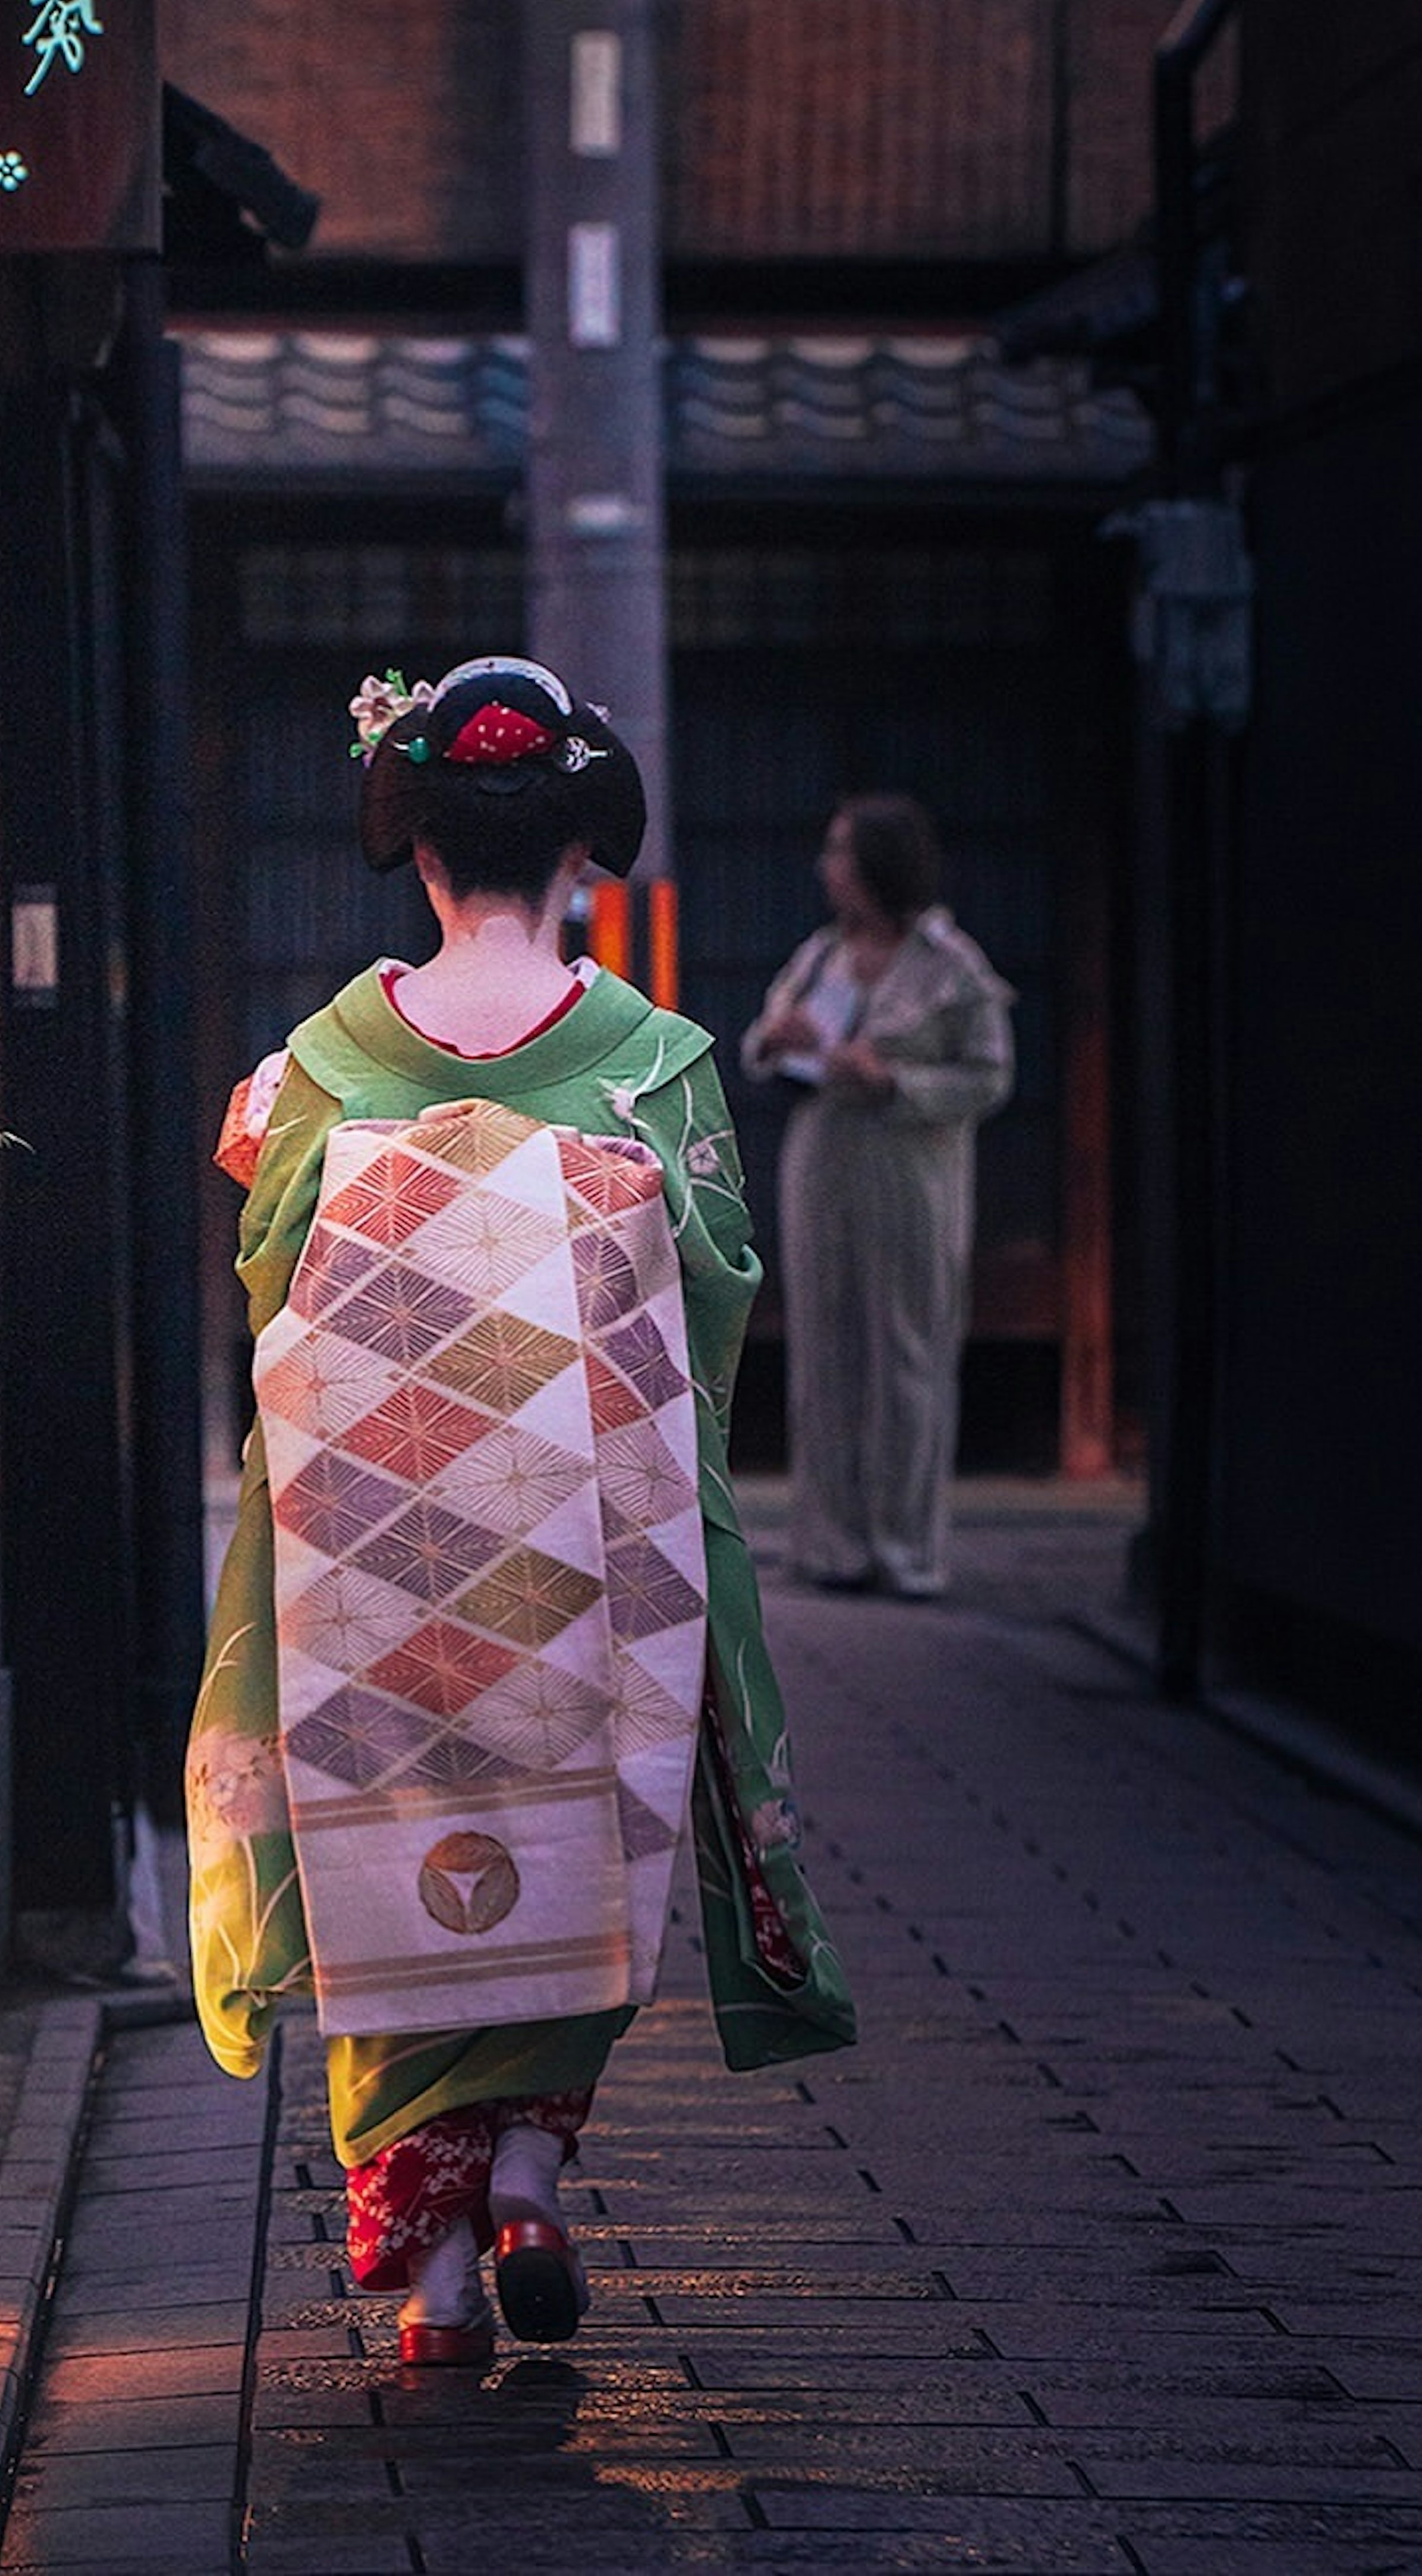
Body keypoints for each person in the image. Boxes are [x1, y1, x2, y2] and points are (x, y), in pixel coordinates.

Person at [189, 657, 854, 2369]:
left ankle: (429, 2285)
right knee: (585, 1835)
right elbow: (713, 1299)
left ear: (415, 853)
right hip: (592, 1546)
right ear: (580, 854)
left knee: (381, 1856)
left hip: (368, 1558)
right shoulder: (658, 1064)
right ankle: (540, 2164)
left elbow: (273, 1292)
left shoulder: (313, 1072)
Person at [742, 793, 1014, 1600]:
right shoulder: (822, 953)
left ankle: (905, 1547)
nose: (828, 867)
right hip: (825, 1153)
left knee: (908, 1348)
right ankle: (831, 1541)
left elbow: (990, 1074)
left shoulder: (948, 961)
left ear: (876, 866)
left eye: (841, 851)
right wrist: (778, 1039)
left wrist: (896, 1079)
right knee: (824, 1348)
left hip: (909, 1161)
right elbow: (765, 1038)